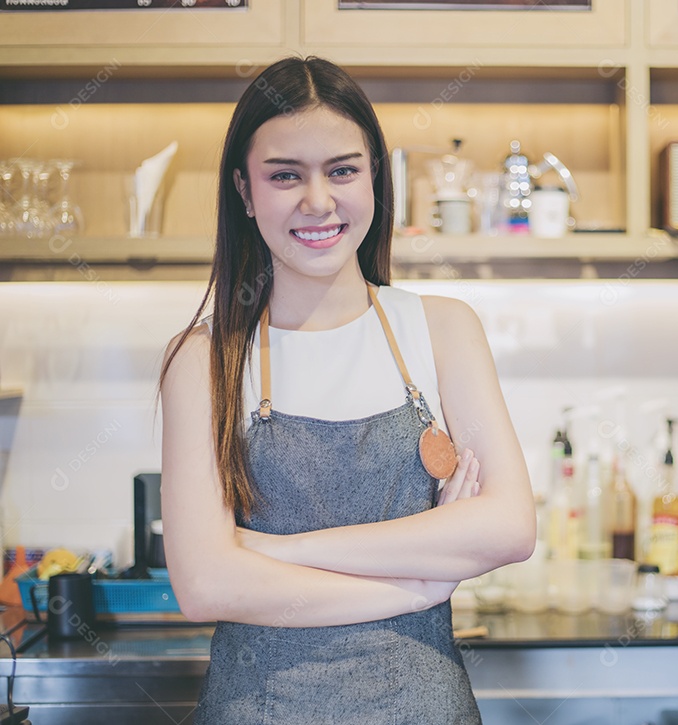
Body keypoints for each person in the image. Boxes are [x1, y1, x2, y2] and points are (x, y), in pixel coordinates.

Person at [159, 56, 535, 723]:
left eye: (342, 170)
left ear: (373, 178)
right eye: (285, 175)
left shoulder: (442, 329)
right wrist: (418, 583)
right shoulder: (203, 358)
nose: (318, 200)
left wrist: (278, 550)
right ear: (244, 191)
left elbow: (509, 526)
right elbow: (206, 583)